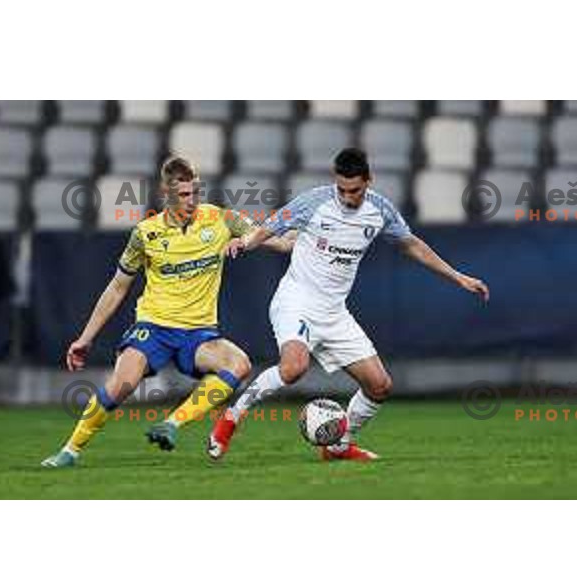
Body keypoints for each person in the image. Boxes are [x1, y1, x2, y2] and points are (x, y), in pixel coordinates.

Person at [208, 148, 490, 461]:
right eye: (341, 189)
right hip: (296, 299)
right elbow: (269, 228)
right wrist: (243, 242)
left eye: (354, 190)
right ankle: (231, 419)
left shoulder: (380, 210)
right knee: (294, 368)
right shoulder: (314, 202)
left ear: (368, 181)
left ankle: (338, 445)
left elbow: (412, 245)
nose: (346, 196)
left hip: (334, 312)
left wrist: (458, 277)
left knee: (379, 386)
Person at [41, 155, 294, 467]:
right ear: (167, 195)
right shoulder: (145, 233)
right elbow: (118, 286)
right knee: (123, 383)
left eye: (195, 193)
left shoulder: (221, 220)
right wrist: (86, 337)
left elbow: (280, 242)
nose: (191, 201)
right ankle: (69, 451)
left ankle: (171, 424)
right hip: (154, 327)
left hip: (199, 334)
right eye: (183, 195)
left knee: (239, 364)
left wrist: (306, 230)